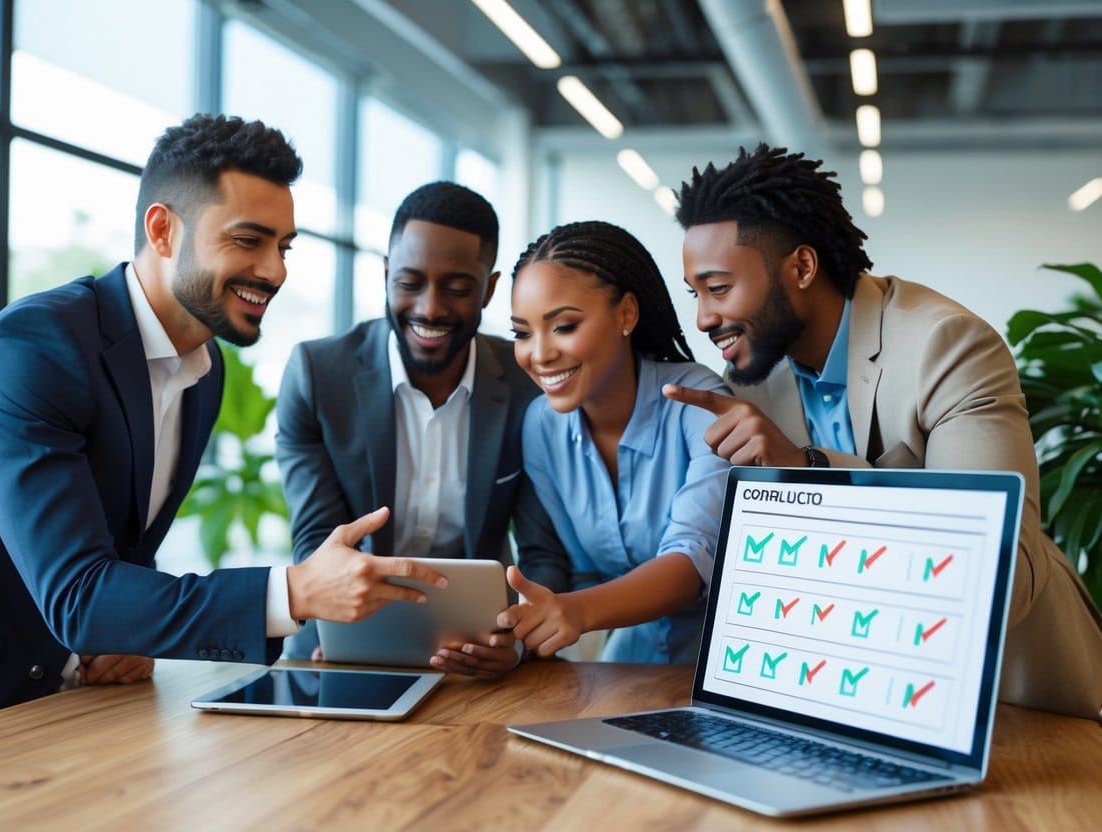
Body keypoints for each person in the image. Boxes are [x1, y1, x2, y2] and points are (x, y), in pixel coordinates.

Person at [0, 114, 447, 739]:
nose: (275, 271)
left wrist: (128, 635)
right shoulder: (33, 348)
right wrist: (291, 593)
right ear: (162, 230)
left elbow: (123, 559)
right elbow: (79, 594)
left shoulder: (205, 371)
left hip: (58, 705)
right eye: (248, 240)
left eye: (284, 246)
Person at [664, 143, 1102, 719]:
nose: (703, 318)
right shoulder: (751, 379)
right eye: (696, 294)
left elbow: (1004, 574)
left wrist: (809, 469)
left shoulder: (947, 345)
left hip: (1008, 700)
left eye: (719, 289)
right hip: (861, 696)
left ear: (801, 267)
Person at [274, 181, 569, 679]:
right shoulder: (317, 375)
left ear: (489, 289)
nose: (430, 308)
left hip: (479, 654)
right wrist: (344, 624)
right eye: (409, 282)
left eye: (456, 288)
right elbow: (317, 541)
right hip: (340, 647)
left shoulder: (527, 387)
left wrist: (518, 640)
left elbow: (544, 552)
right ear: (386, 274)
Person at [498, 220, 730, 663]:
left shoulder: (698, 401)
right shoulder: (541, 427)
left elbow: (691, 560)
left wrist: (577, 611)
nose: (540, 354)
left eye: (563, 326)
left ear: (626, 314)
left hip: (725, 667)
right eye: (522, 333)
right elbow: (579, 572)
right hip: (624, 666)